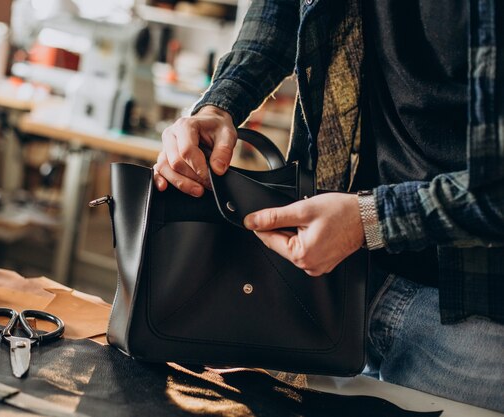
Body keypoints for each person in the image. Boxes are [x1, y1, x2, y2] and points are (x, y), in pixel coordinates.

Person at [152, 0, 504, 412]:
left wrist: (371, 219)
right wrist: (220, 103)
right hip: (340, 281)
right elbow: (281, 12)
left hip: (474, 317)